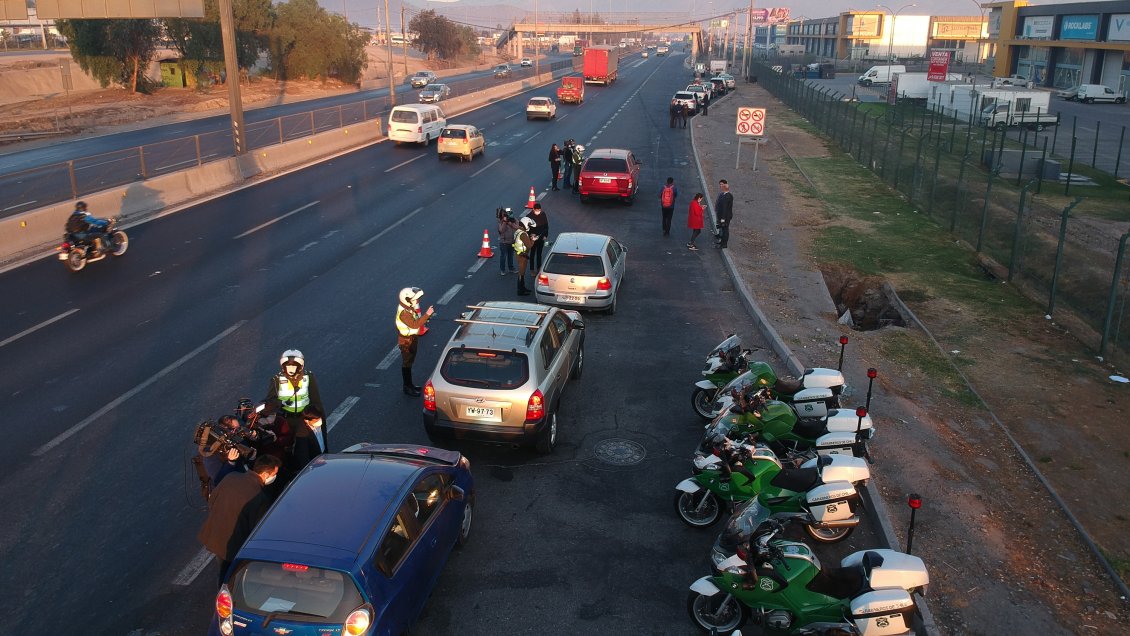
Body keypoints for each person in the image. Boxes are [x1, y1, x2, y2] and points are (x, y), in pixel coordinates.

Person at [198, 454, 281, 589]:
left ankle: (222, 589)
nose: (274, 477)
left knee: (222, 569)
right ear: (265, 474)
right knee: (230, 576)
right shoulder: (259, 497)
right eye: (274, 474)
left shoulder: (231, 477)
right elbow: (256, 530)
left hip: (216, 536)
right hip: (234, 546)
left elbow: (212, 500)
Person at [266, 349, 325, 428]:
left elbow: (316, 400)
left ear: (300, 367)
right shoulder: (276, 379)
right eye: (288, 366)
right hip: (284, 420)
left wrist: (317, 415)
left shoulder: (308, 377)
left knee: (309, 435)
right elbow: (270, 401)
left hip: (303, 420)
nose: (290, 369)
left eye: (293, 366)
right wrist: (281, 402)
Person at [395, 287, 434, 397]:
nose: (417, 301)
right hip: (406, 341)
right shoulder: (404, 313)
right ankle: (407, 387)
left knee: (410, 362)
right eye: (415, 299)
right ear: (407, 299)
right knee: (407, 364)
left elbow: (416, 319)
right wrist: (427, 314)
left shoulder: (408, 307)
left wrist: (425, 318)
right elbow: (414, 324)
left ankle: (410, 385)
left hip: (411, 338)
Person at [514, 217, 535, 296]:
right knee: (521, 272)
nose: (529, 226)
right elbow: (529, 245)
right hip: (522, 255)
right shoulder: (523, 234)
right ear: (525, 224)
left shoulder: (518, 231)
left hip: (519, 254)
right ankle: (520, 290)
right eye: (528, 225)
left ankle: (522, 288)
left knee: (521, 272)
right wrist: (533, 239)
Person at [527, 202, 549, 271]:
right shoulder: (529, 216)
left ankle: (539, 268)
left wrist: (545, 235)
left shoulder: (543, 214)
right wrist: (530, 234)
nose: (538, 212)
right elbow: (526, 228)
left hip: (541, 237)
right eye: (536, 210)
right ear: (533, 209)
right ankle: (532, 269)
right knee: (532, 254)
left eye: (539, 210)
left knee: (539, 254)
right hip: (533, 239)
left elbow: (546, 226)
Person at [497, 207, 519, 276]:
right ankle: (502, 270)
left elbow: (517, 228)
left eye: (510, 213)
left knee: (510, 256)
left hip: (512, 241)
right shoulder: (501, 221)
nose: (509, 215)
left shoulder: (514, 220)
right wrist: (505, 222)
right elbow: (501, 230)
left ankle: (511, 268)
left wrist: (510, 223)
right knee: (503, 256)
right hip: (504, 242)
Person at [715, 179, 734, 249]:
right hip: (723, 216)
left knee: (725, 230)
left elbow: (725, 208)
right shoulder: (723, 194)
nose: (721, 186)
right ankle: (722, 242)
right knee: (723, 230)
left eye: (722, 185)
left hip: (726, 217)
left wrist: (723, 219)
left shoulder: (727, 196)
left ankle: (724, 244)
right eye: (720, 184)